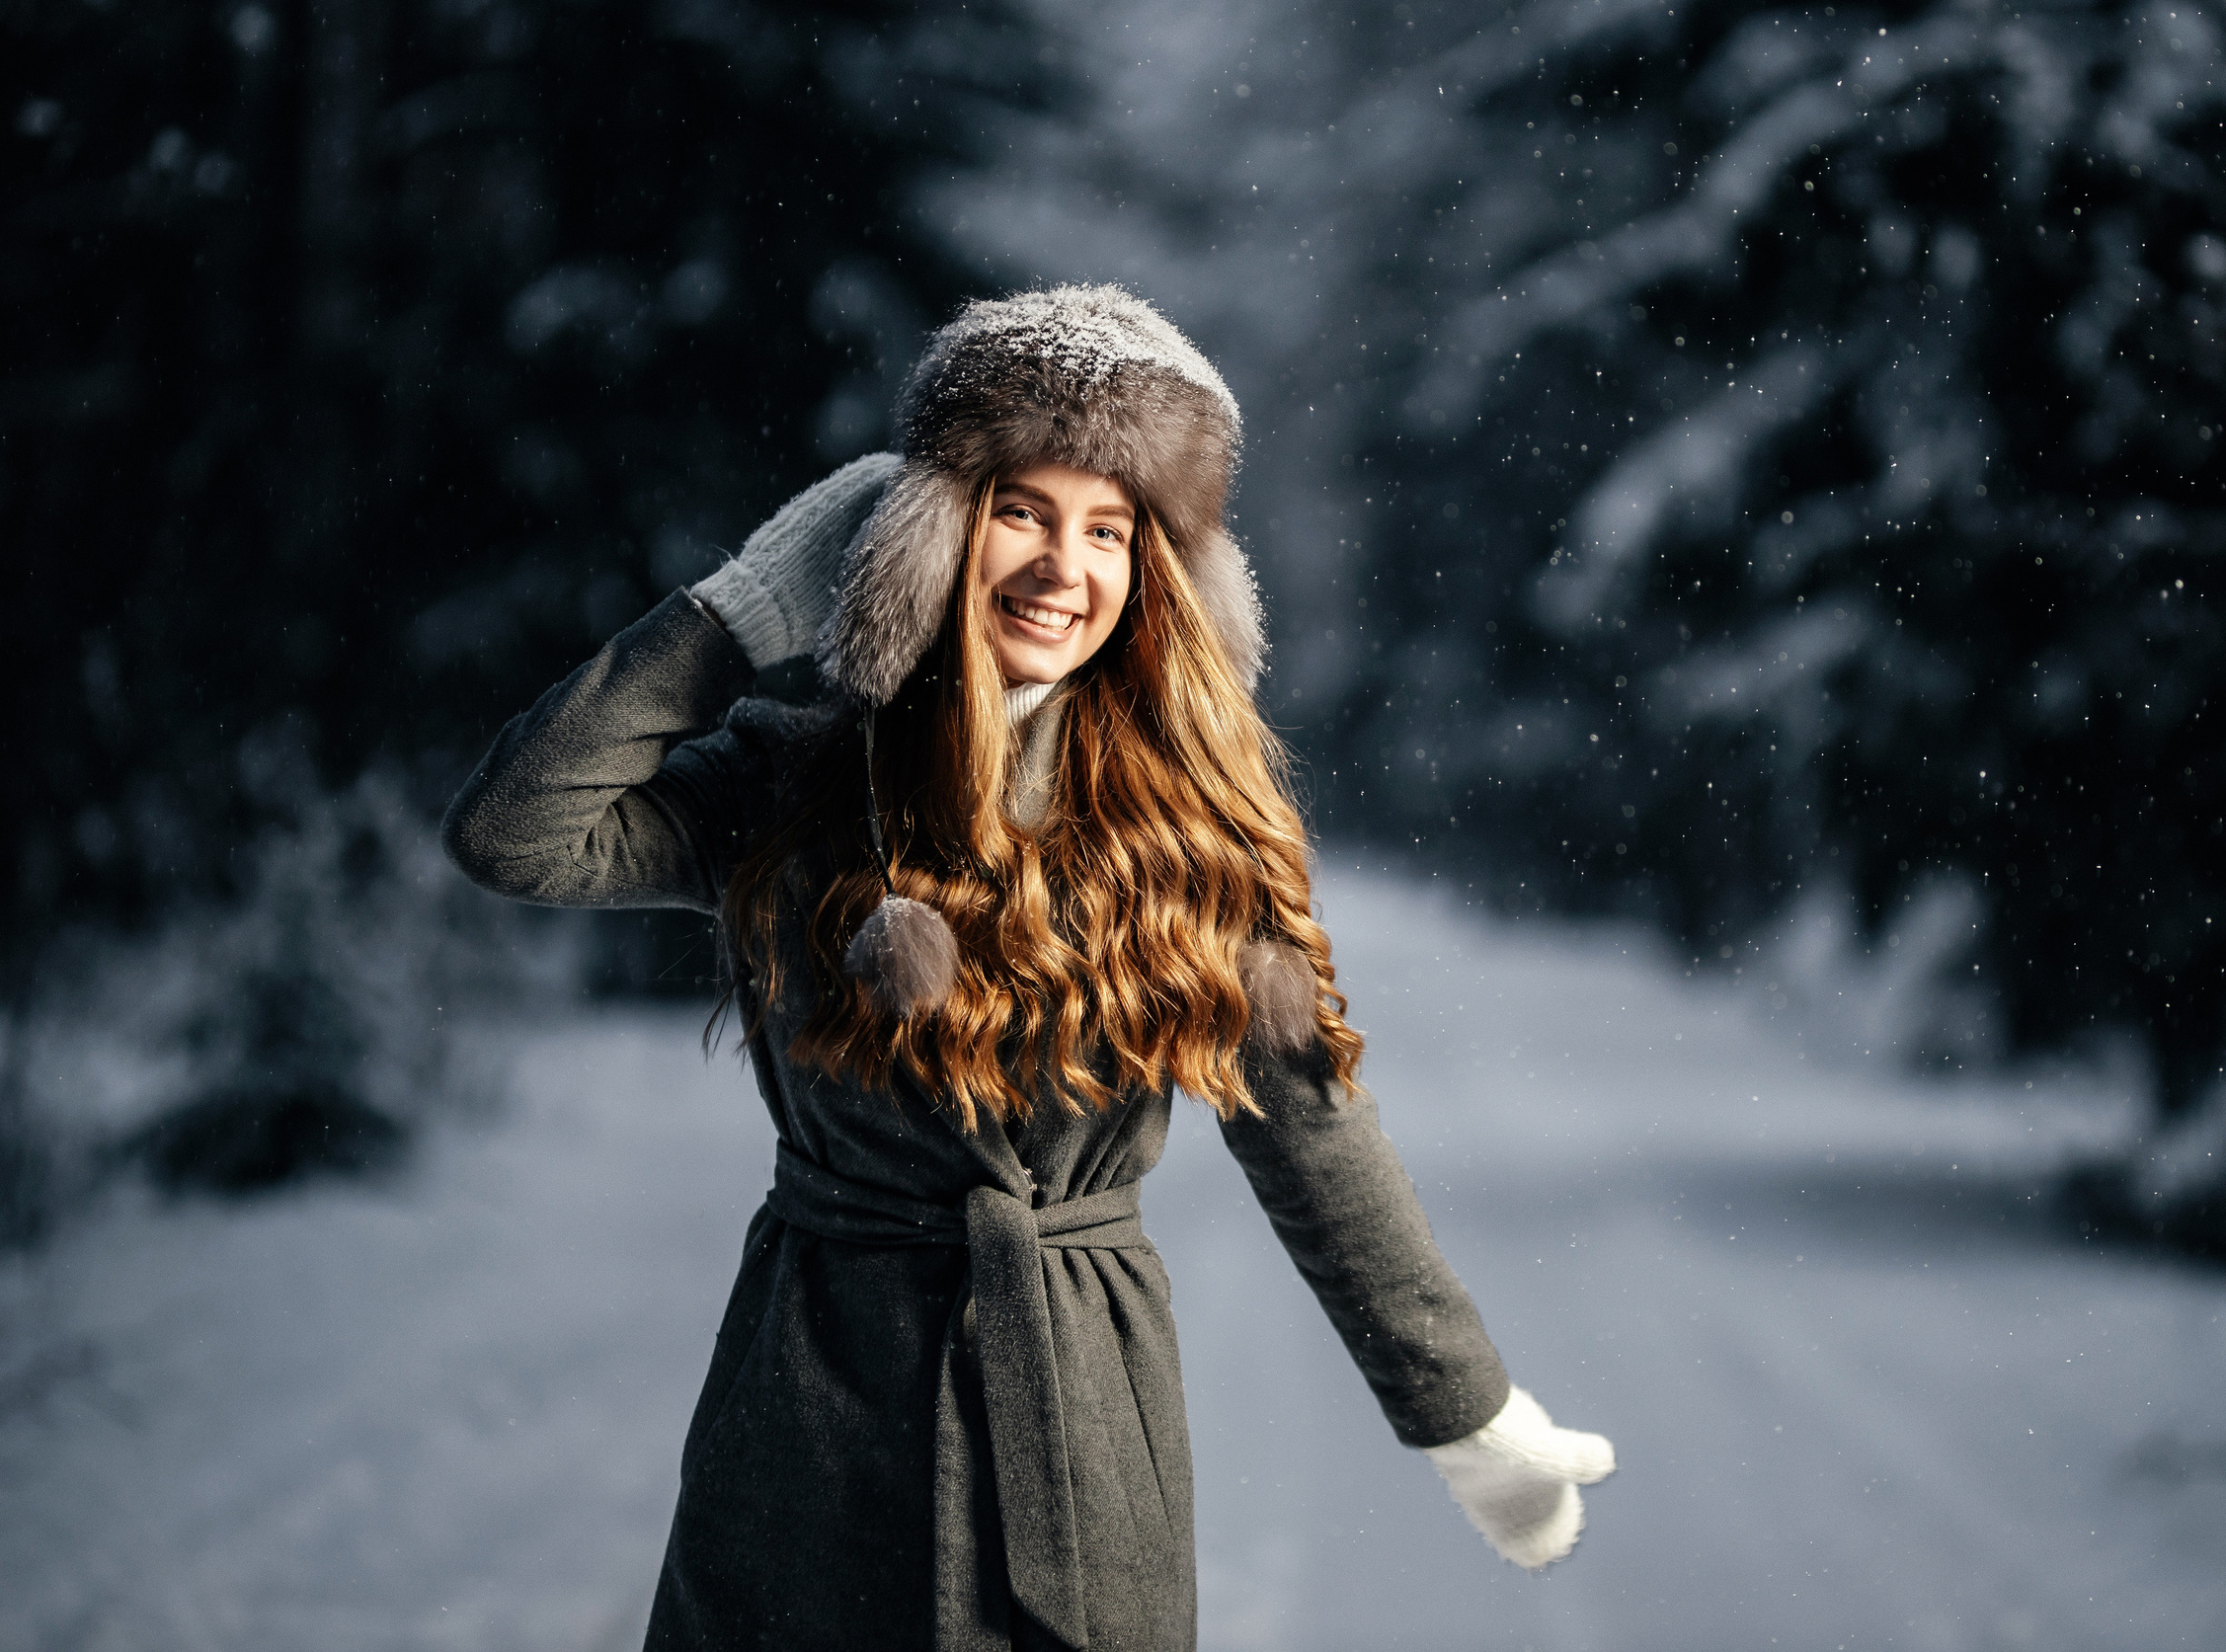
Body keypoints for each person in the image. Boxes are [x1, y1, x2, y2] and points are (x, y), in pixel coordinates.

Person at [441, 285, 1613, 1652]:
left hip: (1082, 1422)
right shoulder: (795, 781)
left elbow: (1317, 1146)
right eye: (1022, 512)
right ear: (931, 532)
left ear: (1155, 573)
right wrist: (739, 612)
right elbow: (513, 833)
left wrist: (1469, 1417)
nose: (1066, 566)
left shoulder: (1193, 831)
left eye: (1109, 530)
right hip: (812, 1414)